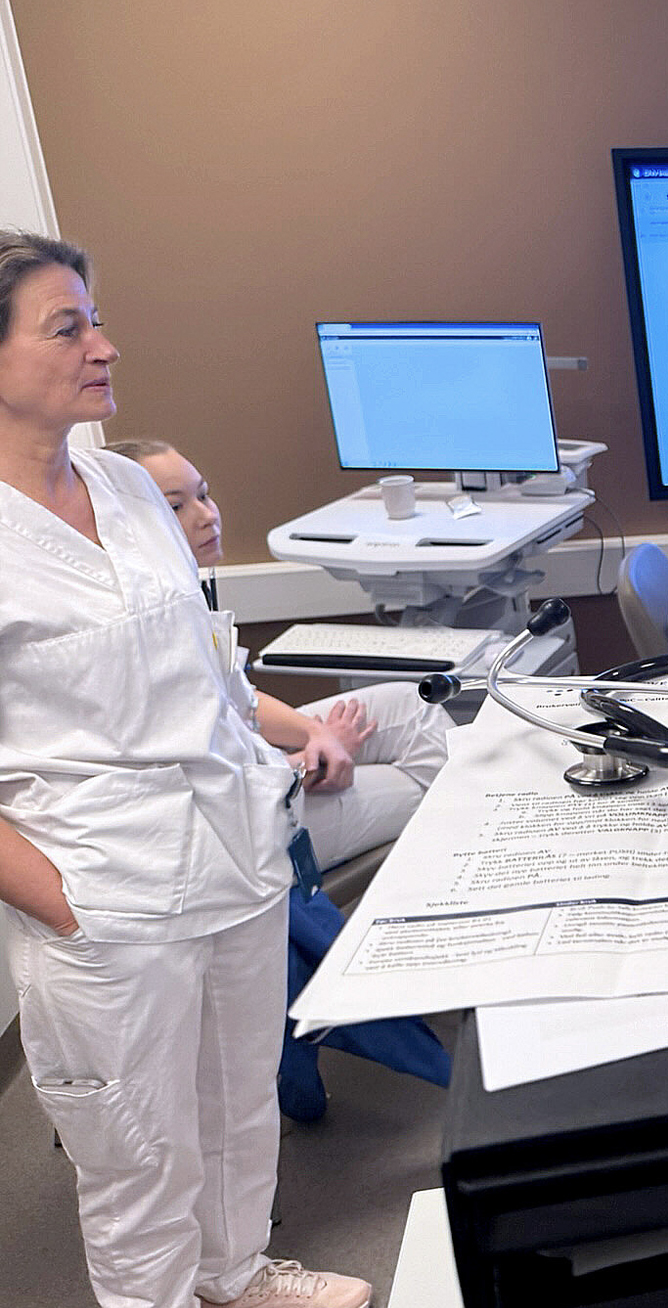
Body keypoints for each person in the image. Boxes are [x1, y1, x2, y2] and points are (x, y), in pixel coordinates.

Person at [0, 231, 370, 1307]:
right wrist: (59, 900)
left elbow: (211, 667)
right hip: (105, 896)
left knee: (237, 1105)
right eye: (67, 328)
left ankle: (236, 1274)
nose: (104, 346)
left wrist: (274, 765)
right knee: (139, 1151)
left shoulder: (125, 487)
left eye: (97, 320)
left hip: (231, 859)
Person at [107, 438, 452, 1122]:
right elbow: (187, 783)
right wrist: (300, 766)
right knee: (431, 785)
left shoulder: (180, 591)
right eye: (176, 506)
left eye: (203, 493)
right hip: (238, 823)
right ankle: (435, 950)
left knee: (413, 708)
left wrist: (314, 734)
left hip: (257, 773)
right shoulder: (129, 628)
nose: (206, 514)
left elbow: (235, 698)